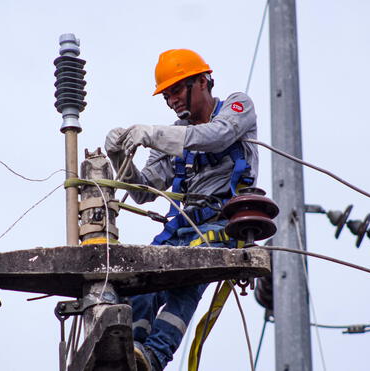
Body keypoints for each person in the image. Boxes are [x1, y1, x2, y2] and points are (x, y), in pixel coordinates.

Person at [104, 48, 258, 371]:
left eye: (176, 90)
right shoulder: (173, 134)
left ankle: (156, 355)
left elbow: (218, 136)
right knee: (140, 279)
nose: (172, 100)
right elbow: (144, 190)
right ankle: (134, 353)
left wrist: (153, 134)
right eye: (167, 95)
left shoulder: (236, 107)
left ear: (202, 82)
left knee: (185, 279)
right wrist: (120, 157)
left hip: (221, 227)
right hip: (182, 229)